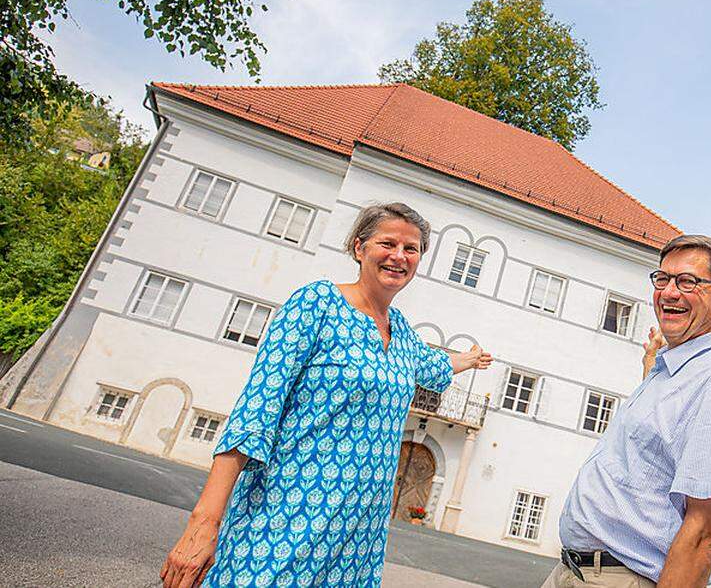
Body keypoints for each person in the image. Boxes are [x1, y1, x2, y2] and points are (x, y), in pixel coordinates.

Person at [160, 203, 492, 588]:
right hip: (287, 514)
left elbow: (432, 368)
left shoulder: (402, 333)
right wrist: (204, 523)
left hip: (357, 539)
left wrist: (467, 359)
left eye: (412, 249)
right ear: (359, 248)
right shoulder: (315, 305)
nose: (399, 256)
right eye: (388, 243)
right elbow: (256, 411)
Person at [549, 235, 711, 588]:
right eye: (662, 279)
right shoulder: (669, 371)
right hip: (574, 572)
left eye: (688, 281)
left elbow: (704, 533)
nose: (670, 292)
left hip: (621, 579)